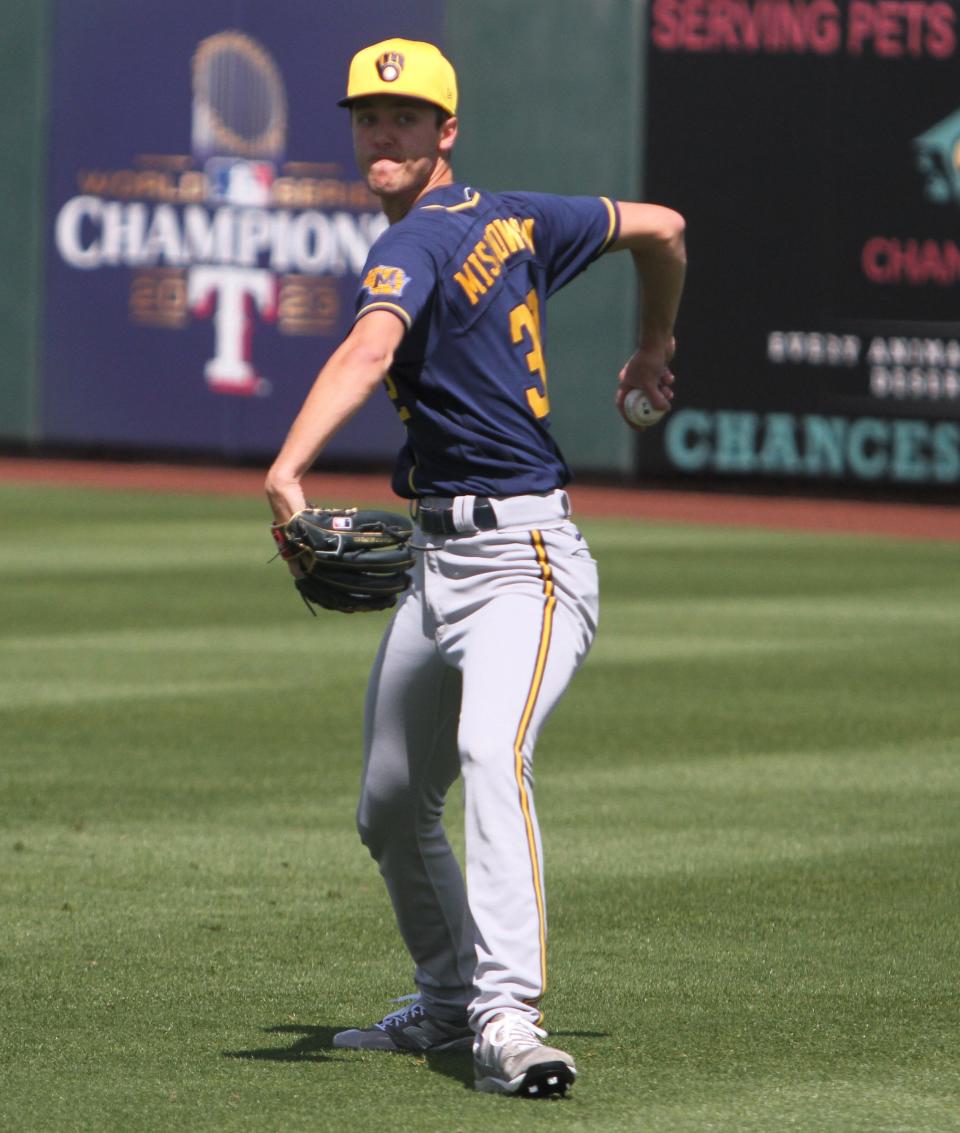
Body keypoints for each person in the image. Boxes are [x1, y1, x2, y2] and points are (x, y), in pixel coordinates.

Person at [265, 37, 686, 1099]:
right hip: (437, 562)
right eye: (369, 115)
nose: (384, 132)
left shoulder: (417, 241)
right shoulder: (524, 217)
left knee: (491, 752)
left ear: (447, 132)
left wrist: (289, 466)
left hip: (529, 562)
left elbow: (368, 347)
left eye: (406, 117)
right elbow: (665, 230)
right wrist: (653, 345)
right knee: (390, 799)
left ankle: (509, 1019)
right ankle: (447, 1000)